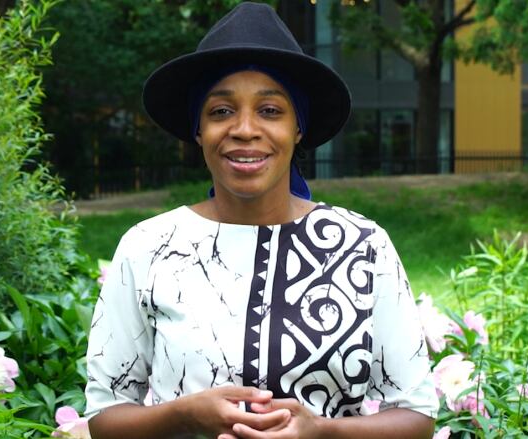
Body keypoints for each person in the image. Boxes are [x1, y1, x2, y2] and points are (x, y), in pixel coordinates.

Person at [84, 3, 438, 438]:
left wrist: (323, 433)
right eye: (220, 111)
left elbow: (417, 416)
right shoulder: (149, 246)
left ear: (298, 128)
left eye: (270, 110)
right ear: (198, 129)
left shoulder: (362, 246)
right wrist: (185, 413)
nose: (245, 129)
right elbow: (105, 417)